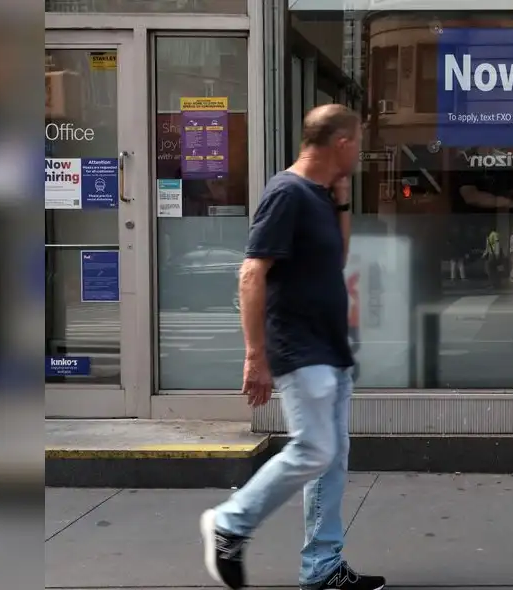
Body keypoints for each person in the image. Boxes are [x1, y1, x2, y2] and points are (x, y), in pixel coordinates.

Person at [199, 104, 385, 590]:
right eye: (359, 142)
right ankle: (230, 523)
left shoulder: (320, 197)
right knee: (314, 449)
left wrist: (341, 201)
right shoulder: (285, 193)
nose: (361, 152)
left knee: (331, 458)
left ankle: (322, 569)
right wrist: (255, 354)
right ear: (341, 143)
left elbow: (336, 258)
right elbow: (251, 273)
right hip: (298, 346)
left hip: (329, 346)